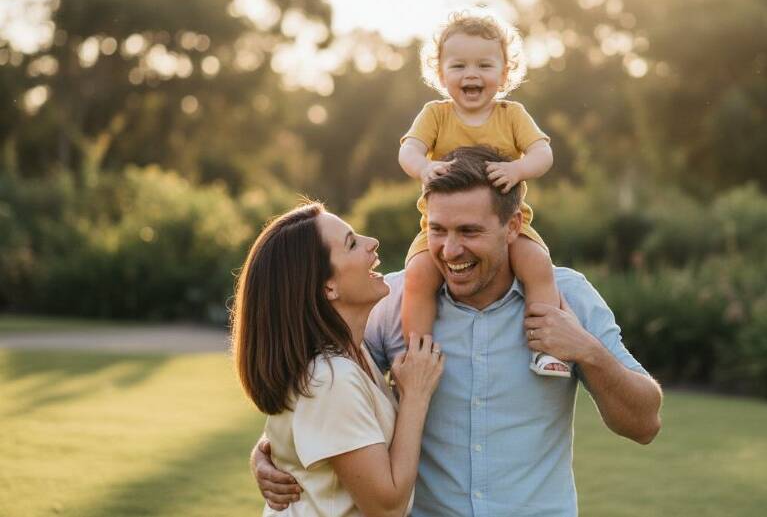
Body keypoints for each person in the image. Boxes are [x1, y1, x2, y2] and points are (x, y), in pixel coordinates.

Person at [253, 146, 663, 516]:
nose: (450, 251)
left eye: (469, 231)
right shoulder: (390, 303)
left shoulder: (565, 298)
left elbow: (644, 424)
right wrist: (271, 453)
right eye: (437, 230)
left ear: (514, 226)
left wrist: (587, 351)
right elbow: (324, 390)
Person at [231, 202, 444, 516]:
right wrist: (415, 395)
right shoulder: (331, 378)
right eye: (352, 243)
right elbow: (387, 507)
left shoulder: (353, 356)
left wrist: (264, 452)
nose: (372, 242)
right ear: (327, 286)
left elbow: (312, 429)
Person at [398, 8, 569, 377]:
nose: (471, 74)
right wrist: (425, 167)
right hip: (438, 227)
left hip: (506, 225)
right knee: (417, 276)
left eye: (484, 65)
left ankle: (546, 349)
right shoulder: (435, 115)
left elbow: (543, 153)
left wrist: (518, 168)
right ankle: (417, 357)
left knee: (537, 265)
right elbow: (408, 150)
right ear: (441, 74)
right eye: (458, 66)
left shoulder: (512, 115)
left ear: (504, 74)